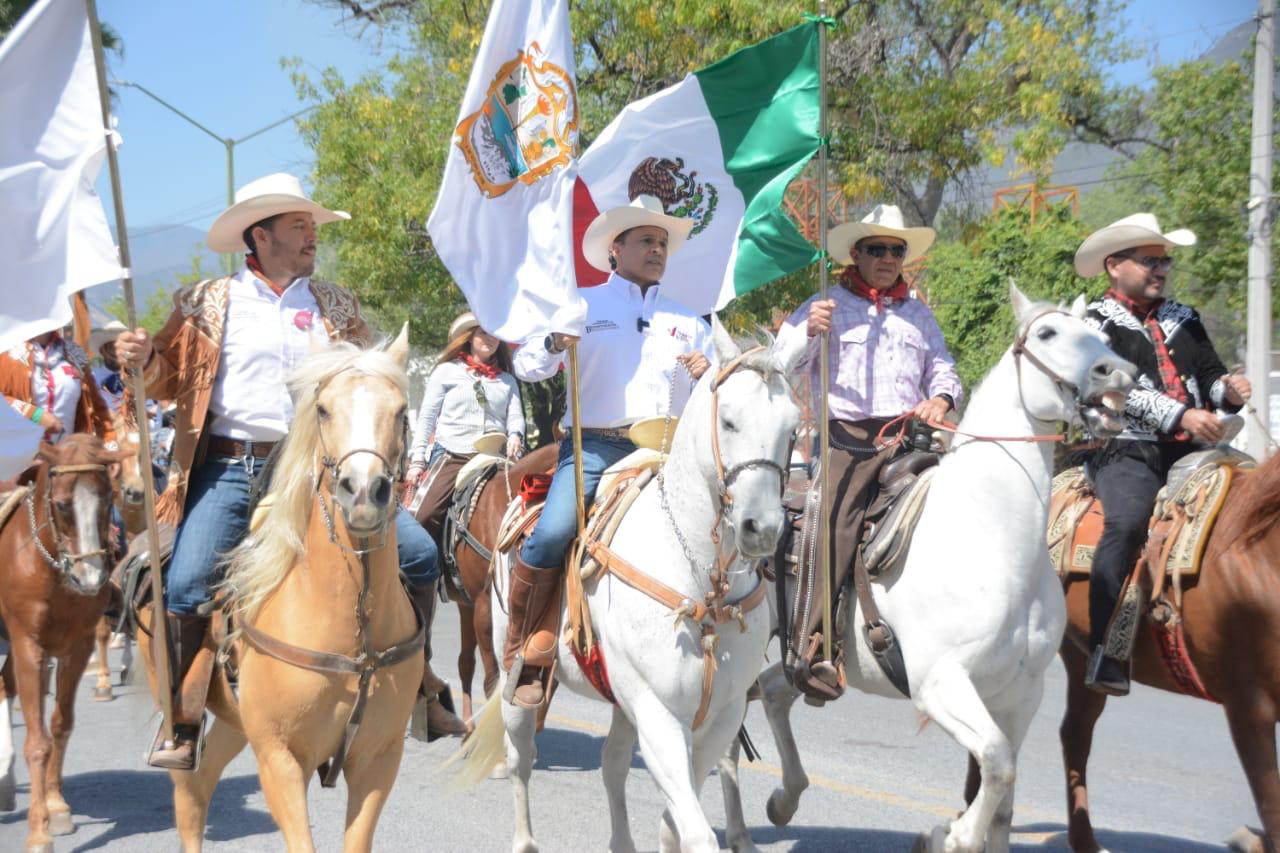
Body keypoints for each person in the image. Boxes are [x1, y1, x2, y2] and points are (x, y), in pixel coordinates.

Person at [114, 173, 462, 768]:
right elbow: (164, 379)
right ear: (261, 235)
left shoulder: (337, 306)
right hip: (231, 464)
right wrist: (138, 360)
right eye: (299, 227)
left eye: (311, 227)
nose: (311, 237)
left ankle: (419, 688)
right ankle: (182, 719)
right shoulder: (205, 301)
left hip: (316, 470)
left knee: (419, 556)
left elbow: (366, 383)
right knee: (189, 579)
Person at [502, 194, 713, 709]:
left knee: (732, 526)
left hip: (670, 450)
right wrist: (555, 341)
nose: (657, 249)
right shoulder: (581, 305)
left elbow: (721, 392)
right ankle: (527, 649)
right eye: (646, 240)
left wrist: (711, 379)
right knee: (552, 533)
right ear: (615, 250)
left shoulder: (690, 320)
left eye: (662, 242)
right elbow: (527, 365)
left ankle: (727, 647)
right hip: (594, 445)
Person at [774, 203, 963, 702]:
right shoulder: (826, 306)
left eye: (895, 250)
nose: (887, 257)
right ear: (855, 254)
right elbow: (783, 366)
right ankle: (813, 645)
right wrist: (804, 332)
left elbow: (943, 367)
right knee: (832, 522)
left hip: (910, 438)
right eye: (876, 249)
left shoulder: (919, 313)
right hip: (848, 441)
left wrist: (941, 398)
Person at [1074, 212, 1250, 695]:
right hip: (1127, 449)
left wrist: (1227, 391)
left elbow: (1209, 376)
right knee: (1126, 525)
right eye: (1150, 260)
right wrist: (1180, 416)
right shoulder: (1093, 322)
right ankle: (1105, 649)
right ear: (1115, 265)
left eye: (1164, 261)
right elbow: (1112, 387)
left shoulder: (1184, 317)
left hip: (1193, 448)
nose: (1161, 269)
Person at [405, 311, 524, 543]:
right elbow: (427, 418)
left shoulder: (508, 380)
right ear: (469, 337)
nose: (489, 339)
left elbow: (516, 417)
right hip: (453, 454)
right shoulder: (446, 371)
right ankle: (421, 572)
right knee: (423, 516)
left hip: (495, 455)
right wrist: (418, 460)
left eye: (494, 335)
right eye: (482, 333)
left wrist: (516, 435)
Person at [0, 330, 117, 449]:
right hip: (20, 458)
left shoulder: (75, 352)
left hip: (68, 458)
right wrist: (35, 415)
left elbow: (98, 409)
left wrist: (110, 446)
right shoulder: (5, 351)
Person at [89, 321, 129, 415]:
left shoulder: (138, 375)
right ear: (103, 351)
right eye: (112, 347)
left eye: (121, 347)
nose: (117, 351)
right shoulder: (92, 377)